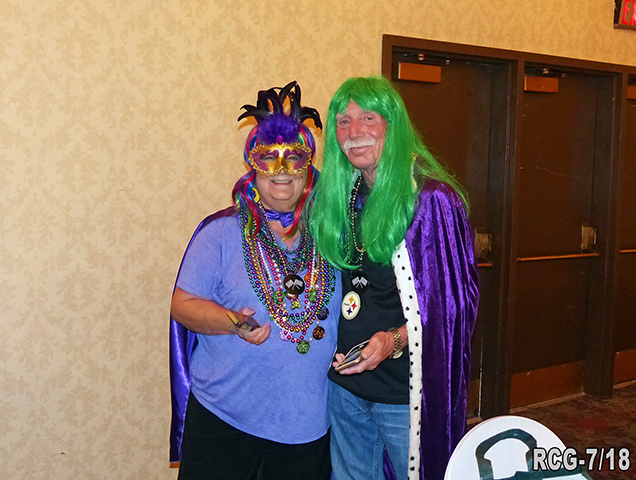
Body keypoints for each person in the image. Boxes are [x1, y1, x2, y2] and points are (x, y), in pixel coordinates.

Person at [309, 75, 479, 480]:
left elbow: (455, 308)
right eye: (343, 121)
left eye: (368, 118)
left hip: (404, 395)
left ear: (393, 125)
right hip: (346, 388)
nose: (354, 132)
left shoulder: (430, 200)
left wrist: (394, 340)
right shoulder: (338, 198)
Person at [169, 81, 340, 480]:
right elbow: (182, 305)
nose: (282, 171)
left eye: (294, 158)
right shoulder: (220, 233)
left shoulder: (331, 235)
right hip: (226, 419)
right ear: (252, 165)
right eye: (268, 158)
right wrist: (232, 322)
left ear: (308, 167)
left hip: (306, 426)